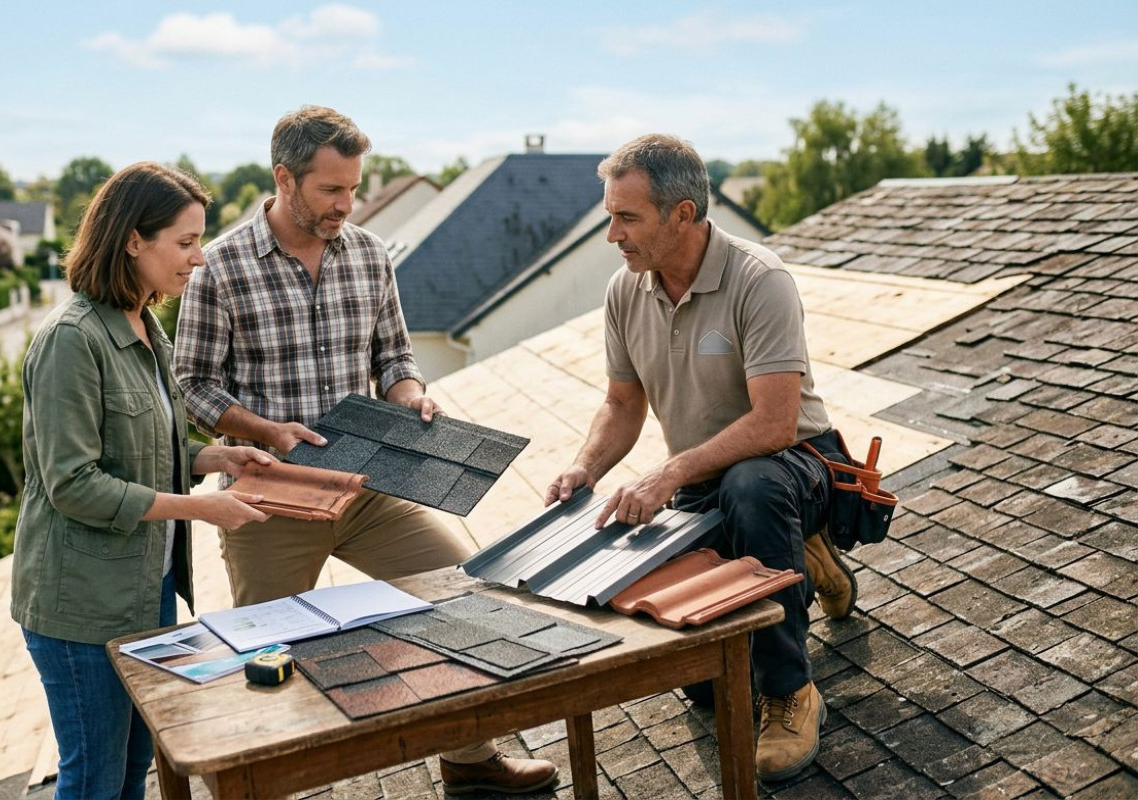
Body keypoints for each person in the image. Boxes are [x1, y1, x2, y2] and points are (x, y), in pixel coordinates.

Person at [174, 105, 558, 795]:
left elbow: (395, 358)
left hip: (366, 487)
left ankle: (471, 764)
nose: (346, 204)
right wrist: (264, 432)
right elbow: (191, 386)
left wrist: (411, 397)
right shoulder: (219, 268)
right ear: (284, 179)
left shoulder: (371, 253)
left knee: (462, 594)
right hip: (270, 500)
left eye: (353, 188)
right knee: (265, 660)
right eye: (330, 190)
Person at [544, 134, 857, 783]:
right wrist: (586, 468)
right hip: (704, 477)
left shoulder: (757, 279)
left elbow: (773, 422)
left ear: (682, 214)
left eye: (626, 218)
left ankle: (792, 693)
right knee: (709, 685)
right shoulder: (625, 292)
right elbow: (622, 405)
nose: (613, 235)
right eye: (611, 215)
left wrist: (671, 471)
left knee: (752, 490)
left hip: (796, 460)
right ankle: (802, 553)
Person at [11, 161, 275, 800]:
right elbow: (73, 483)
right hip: (80, 606)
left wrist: (216, 460)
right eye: (185, 243)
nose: (200, 258)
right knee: (94, 780)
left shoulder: (144, 324)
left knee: (134, 770)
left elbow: (141, 451)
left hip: (146, 592)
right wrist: (201, 508)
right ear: (133, 239)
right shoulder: (71, 340)